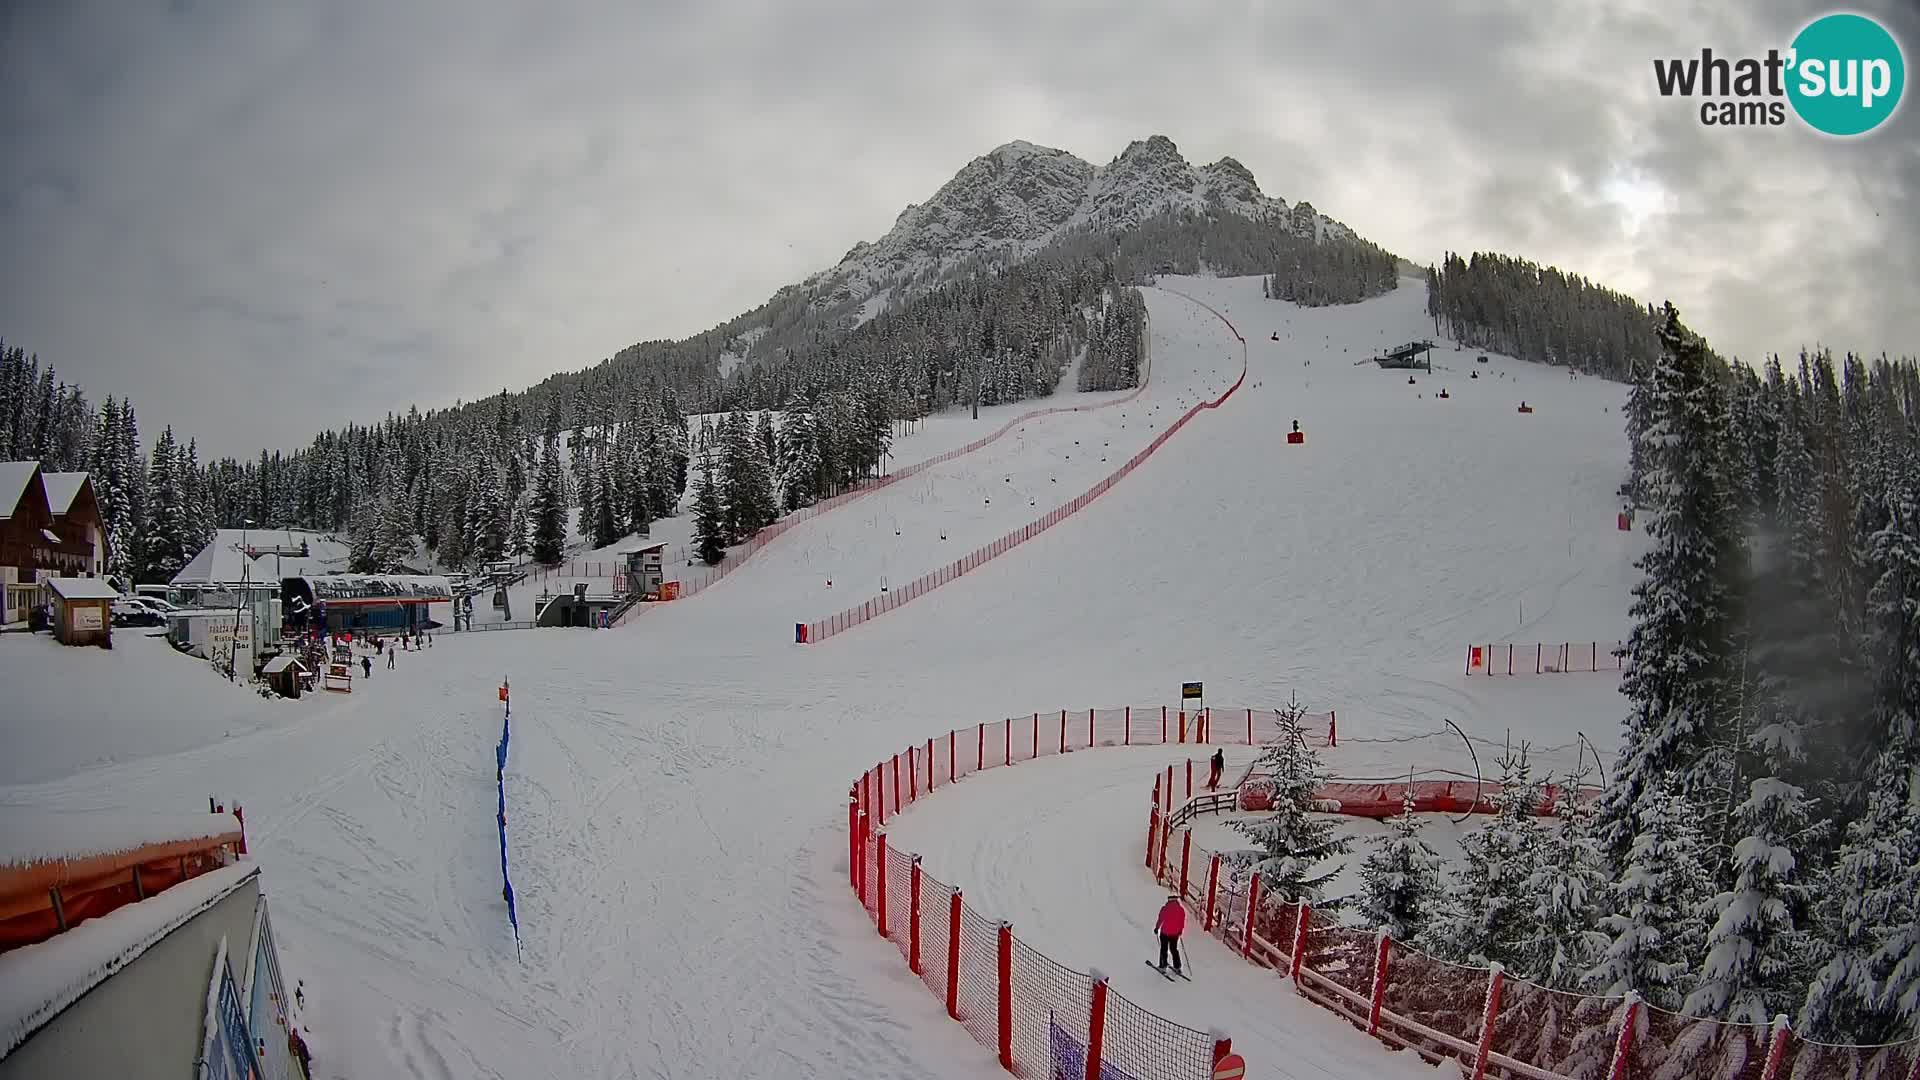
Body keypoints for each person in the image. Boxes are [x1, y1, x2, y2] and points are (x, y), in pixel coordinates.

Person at [1156, 893, 1185, 974]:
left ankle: (1163, 966)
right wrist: (1180, 931)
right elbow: (1182, 922)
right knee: (1174, 949)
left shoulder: (1165, 908)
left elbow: (1160, 919)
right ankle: (1177, 966)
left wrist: (1157, 928)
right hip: (1175, 934)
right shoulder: (1181, 910)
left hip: (1165, 932)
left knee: (1164, 949)